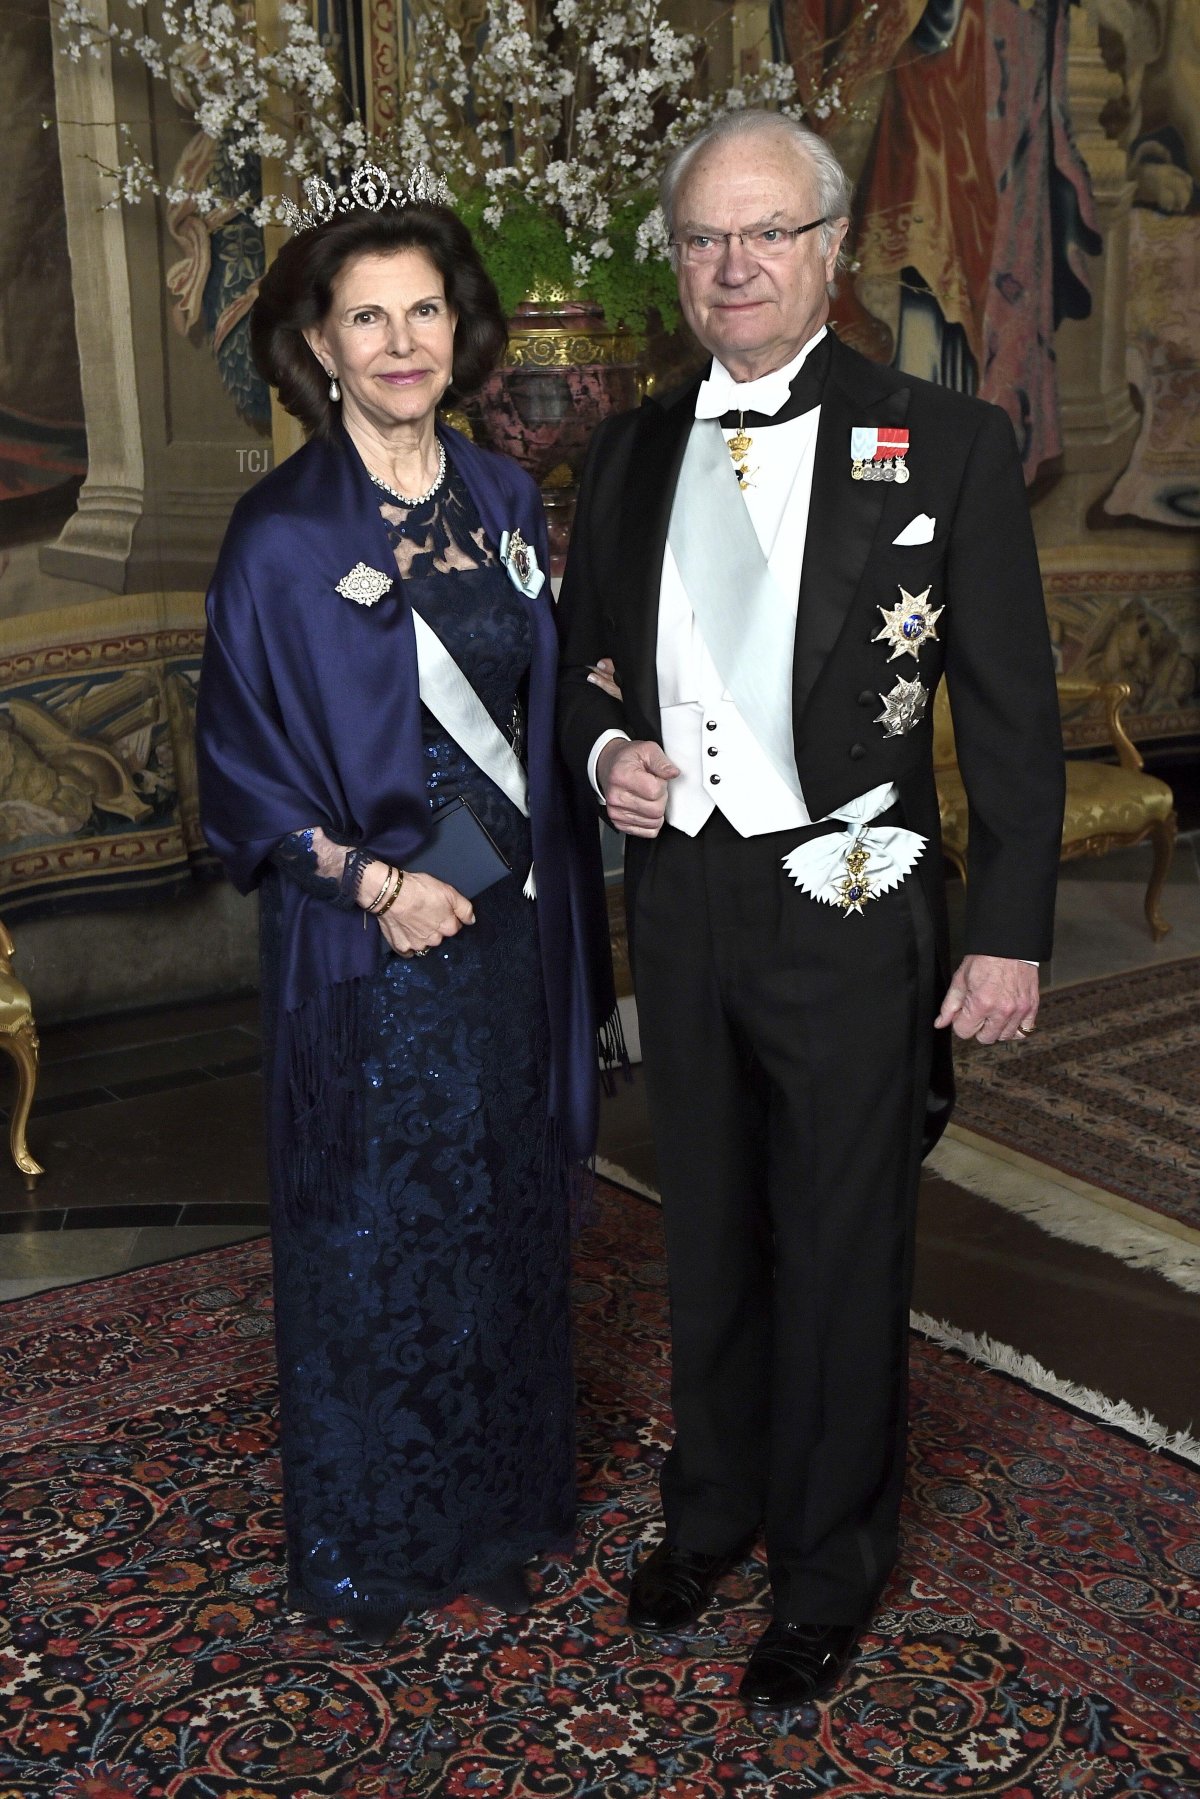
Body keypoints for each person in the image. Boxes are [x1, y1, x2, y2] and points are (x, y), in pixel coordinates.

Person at [556, 110, 1064, 1706]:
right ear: (679, 261)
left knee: (841, 1245)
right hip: (687, 898)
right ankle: (712, 1510)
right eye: (706, 237)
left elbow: (1012, 710)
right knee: (706, 1224)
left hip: (853, 885)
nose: (736, 264)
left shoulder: (944, 439)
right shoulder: (628, 450)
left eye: (768, 232)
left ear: (832, 249)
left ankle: (828, 1567)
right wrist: (608, 755)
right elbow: (581, 667)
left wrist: (1011, 928)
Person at [196, 169, 616, 1642]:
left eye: (423, 312)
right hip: (368, 943)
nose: (399, 344)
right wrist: (376, 883)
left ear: (460, 330)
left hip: (505, 928)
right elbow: (239, 770)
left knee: (506, 1214)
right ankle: (376, 1541)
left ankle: (499, 1514)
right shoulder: (281, 533)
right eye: (367, 318)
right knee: (377, 1235)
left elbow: (540, 697)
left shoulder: (503, 498)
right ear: (318, 344)